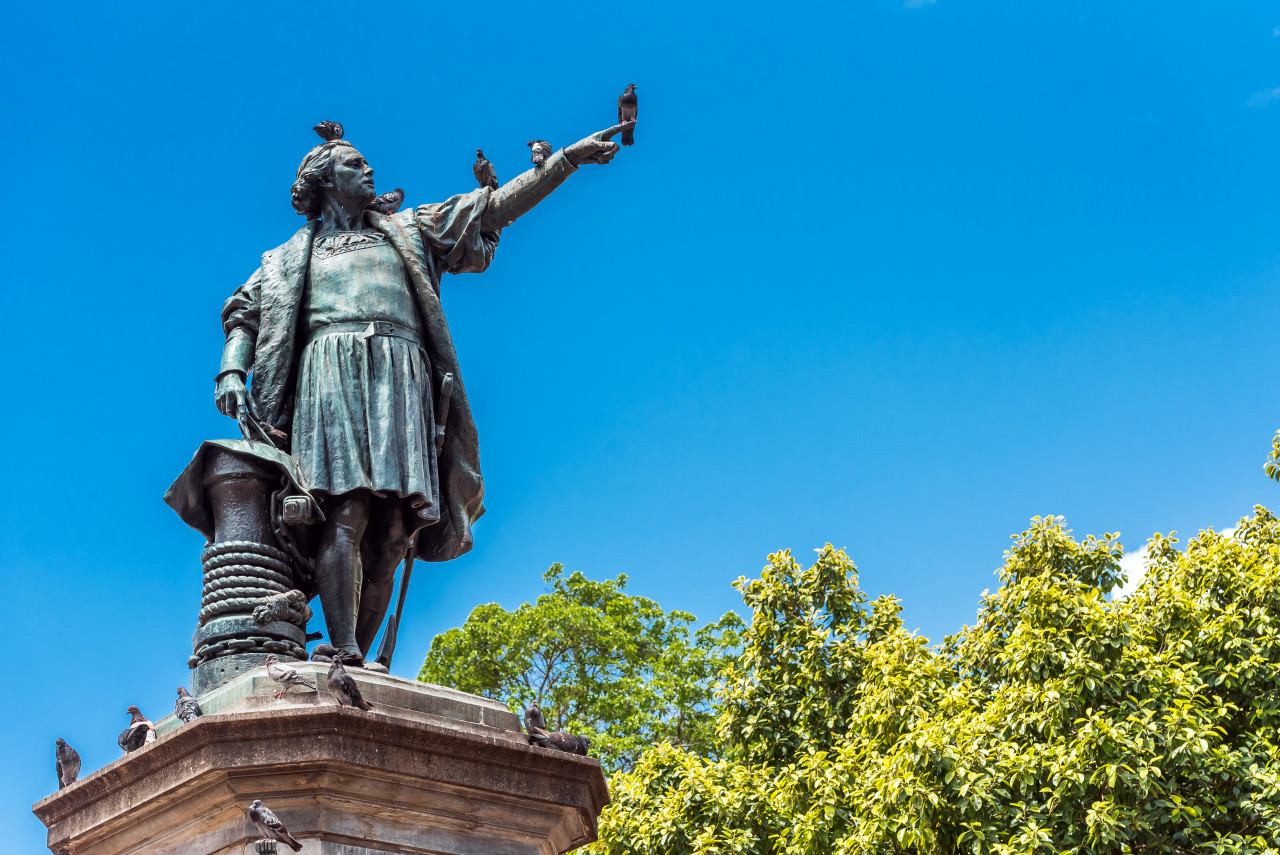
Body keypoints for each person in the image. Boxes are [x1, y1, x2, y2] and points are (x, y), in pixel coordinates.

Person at [213, 121, 628, 660]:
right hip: (330, 374)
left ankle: (358, 658)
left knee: (393, 533)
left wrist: (567, 159)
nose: (369, 169)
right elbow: (242, 313)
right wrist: (230, 371)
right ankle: (342, 649)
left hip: (402, 373)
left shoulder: (411, 230)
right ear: (324, 181)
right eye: (353, 164)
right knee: (347, 512)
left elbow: (493, 207)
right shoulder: (288, 259)